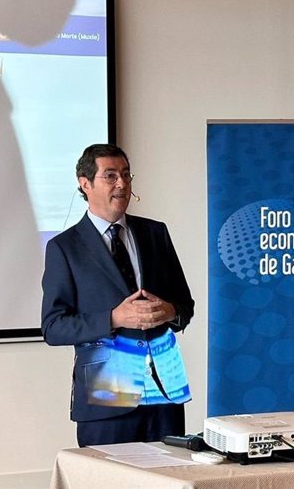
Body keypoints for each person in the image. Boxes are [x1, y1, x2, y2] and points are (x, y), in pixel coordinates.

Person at [41, 143, 194, 447]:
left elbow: (184, 306)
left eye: (126, 175)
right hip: (106, 397)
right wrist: (113, 318)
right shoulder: (64, 248)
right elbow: (53, 327)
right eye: (110, 176)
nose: (122, 183)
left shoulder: (155, 233)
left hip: (164, 393)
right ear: (85, 184)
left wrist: (169, 312)